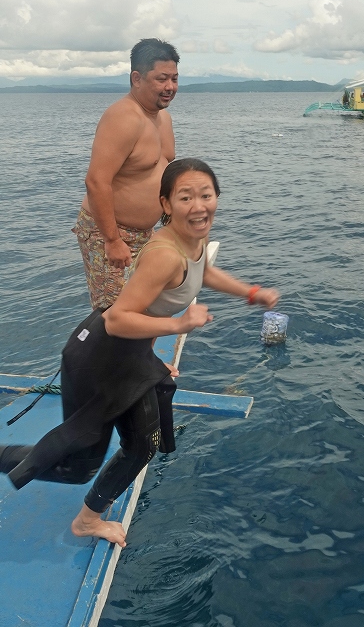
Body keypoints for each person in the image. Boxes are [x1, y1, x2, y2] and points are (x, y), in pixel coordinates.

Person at [0, 159, 279, 548]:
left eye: (206, 195)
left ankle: (86, 519)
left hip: (128, 354)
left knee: (140, 445)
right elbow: (117, 320)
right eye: (185, 197)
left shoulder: (190, 240)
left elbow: (202, 272)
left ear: (217, 197)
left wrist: (251, 292)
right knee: (78, 465)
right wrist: (179, 325)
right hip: (100, 357)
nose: (198, 206)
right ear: (165, 204)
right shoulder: (164, 253)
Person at [73, 38, 180, 311]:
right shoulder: (123, 117)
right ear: (137, 78)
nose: (170, 87)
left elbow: (164, 172)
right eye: (162, 79)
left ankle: (143, 355)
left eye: (175, 79)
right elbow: (96, 181)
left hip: (145, 233)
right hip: (109, 233)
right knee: (119, 314)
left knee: (149, 305)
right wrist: (112, 240)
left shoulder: (162, 117)